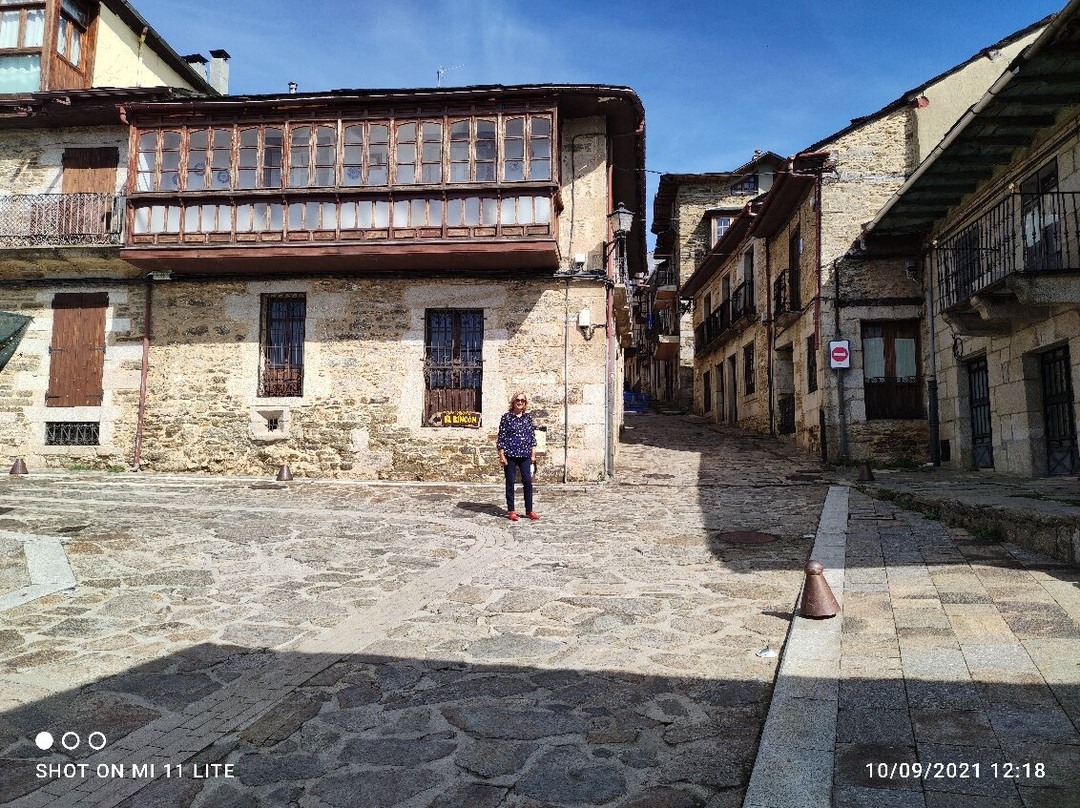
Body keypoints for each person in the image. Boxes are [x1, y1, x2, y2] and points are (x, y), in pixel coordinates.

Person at [496, 391, 539, 521]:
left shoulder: (528, 418)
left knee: (527, 481)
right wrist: (501, 455)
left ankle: (529, 510)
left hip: (525, 454)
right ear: (513, 402)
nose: (520, 402)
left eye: (522, 401)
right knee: (510, 482)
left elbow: (531, 437)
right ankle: (511, 510)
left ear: (525, 403)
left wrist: (533, 454)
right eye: (517, 400)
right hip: (510, 454)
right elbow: (501, 438)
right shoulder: (506, 417)